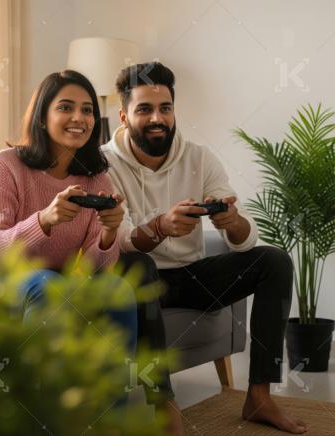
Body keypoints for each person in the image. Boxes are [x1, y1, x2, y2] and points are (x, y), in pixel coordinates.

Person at [101, 62, 306, 435]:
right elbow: (119, 242)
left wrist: (232, 222)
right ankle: (164, 404)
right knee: (136, 263)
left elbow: (244, 240)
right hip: (140, 284)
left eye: (165, 108)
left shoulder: (199, 158)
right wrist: (161, 226)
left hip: (193, 276)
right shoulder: (105, 163)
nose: (157, 118)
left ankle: (259, 396)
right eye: (144, 109)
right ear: (124, 115)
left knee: (274, 261)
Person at [0, 69, 138, 367]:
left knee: (117, 290)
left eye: (87, 110)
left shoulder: (97, 180)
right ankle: (40, 408)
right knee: (47, 285)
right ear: (42, 117)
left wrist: (109, 233)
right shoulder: (5, 166)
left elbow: (94, 270)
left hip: (55, 279)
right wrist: (44, 220)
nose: (79, 118)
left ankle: (110, 411)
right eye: (65, 107)